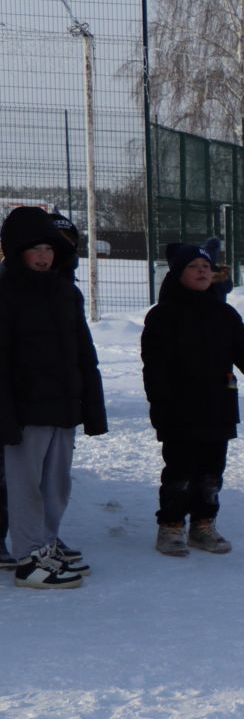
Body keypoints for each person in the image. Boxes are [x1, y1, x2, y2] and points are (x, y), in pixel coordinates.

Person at [140, 242, 244, 556]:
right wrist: (160, 406)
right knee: (179, 471)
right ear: (178, 274)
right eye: (193, 266)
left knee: (211, 472)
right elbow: (154, 368)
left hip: (218, 405)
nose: (202, 271)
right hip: (179, 407)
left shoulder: (224, 314)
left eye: (206, 266)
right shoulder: (163, 316)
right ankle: (171, 526)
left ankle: (203, 524)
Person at [0, 205, 106, 589]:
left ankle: (46, 543)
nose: (44, 256)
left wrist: (92, 408)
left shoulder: (66, 292)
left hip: (62, 408)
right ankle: (28, 557)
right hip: (25, 411)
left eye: (49, 248)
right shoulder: (6, 293)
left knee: (57, 484)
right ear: (15, 251)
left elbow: (84, 354)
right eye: (35, 249)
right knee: (24, 484)